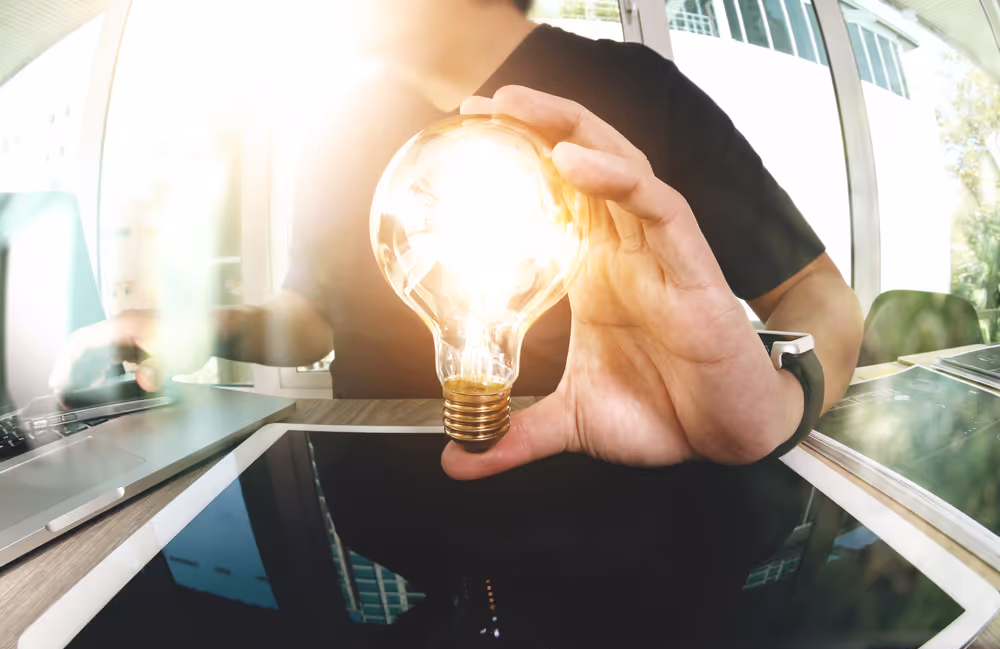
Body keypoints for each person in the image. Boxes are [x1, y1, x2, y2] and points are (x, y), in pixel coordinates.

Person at [51, 0, 863, 481]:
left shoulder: (640, 89)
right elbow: (310, 316)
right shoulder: (339, 127)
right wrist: (203, 327)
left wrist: (781, 400)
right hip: (378, 515)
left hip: (617, 505)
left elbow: (817, 293)